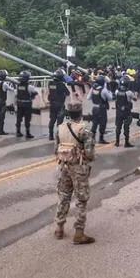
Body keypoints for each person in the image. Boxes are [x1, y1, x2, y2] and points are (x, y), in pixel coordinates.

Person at [53, 102, 96, 245]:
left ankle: (59, 228)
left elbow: (55, 149)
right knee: (81, 199)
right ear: (81, 113)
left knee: (64, 196)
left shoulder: (60, 128)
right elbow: (90, 154)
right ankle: (79, 232)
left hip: (64, 166)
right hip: (78, 168)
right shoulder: (84, 130)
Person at [87, 74, 113, 144]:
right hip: (101, 109)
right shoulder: (103, 90)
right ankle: (101, 139)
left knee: (94, 123)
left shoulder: (93, 88)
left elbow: (88, 97)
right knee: (103, 123)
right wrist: (109, 90)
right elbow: (110, 98)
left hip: (94, 108)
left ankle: (92, 139)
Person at [48, 69, 70, 141]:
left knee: (52, 119)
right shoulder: (62, 85)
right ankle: (59, 136)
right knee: (60, 122)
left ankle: (50, 135)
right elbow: (68, 93)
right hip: (60, 105)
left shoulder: (50, 83)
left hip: (52, 104)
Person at [15, 70, 38, 139]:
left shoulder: (18, 85)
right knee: (27, 120)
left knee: (19, 119)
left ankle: (18, 132)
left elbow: (17, 94)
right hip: (27, 105)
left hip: (19, 104)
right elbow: (34, 93)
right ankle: (28, 133)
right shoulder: (30, 87)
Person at [114, 76, 136, 148]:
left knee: (118, 127)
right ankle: (126, 143)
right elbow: (135, 99)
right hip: (126, 112)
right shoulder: (129, 92)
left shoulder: (116, 91)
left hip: (118, 111)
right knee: (126, 127)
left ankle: (117, 142)